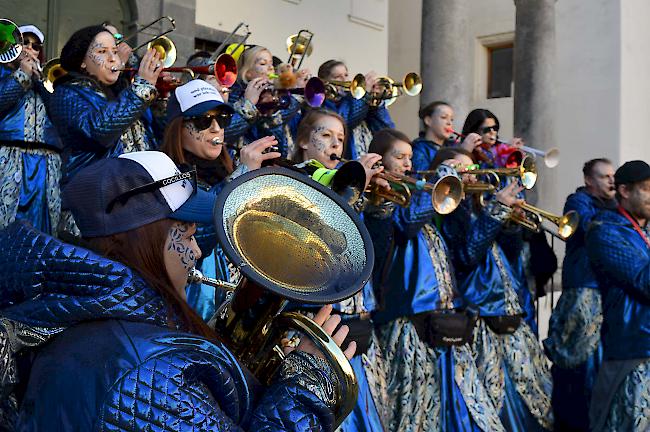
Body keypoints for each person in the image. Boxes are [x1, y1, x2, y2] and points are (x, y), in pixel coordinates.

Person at [0, 150, 356, 431]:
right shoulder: (146, 368)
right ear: (144, 241)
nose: (198, 251)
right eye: (185, 235)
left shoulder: (85, 319)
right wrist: (307, 386)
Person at [369, 140, 504, 431]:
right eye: (399, 157)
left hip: (446, 320)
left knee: (472, 409)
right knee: (415, 414)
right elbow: (406, 224)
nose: (407, 163)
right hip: (408, 322)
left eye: (410, 158)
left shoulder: (437, 203)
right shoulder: (388, 200)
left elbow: (468, 248)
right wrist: (442, 176)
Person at [440, 147, 553, 431]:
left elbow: (512, 254)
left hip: (509, 314)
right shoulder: (453, 211)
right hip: (480, 322)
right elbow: (466, 256)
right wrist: (496, 211)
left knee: (535, 400)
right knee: (493, 404)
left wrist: (511, 224)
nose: (469, 174)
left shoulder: (481, 204)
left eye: (471, 168)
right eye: (459, 169)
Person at [160, 79, 279, 320]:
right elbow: (198, 239)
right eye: (204, 121)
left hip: (235, 308)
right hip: (196, 313)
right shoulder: (165, 176)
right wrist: (242, 175)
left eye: (222, 119)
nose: (217, 128)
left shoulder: (229, 168)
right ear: (179, 128)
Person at [49, 25, 164, 237]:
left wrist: (161, 100)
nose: (114, 58)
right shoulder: (66, 94)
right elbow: (98, 130)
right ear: (82, 62)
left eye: (114, 51)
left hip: (134, 206)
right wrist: (142, 88)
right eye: (102, 52)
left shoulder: (119, 93)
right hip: (93, 212)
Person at [543, 158, 616, 432]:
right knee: (579, 362)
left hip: (603, 291)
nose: (612, 181)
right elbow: (590, 229)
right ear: (589, 180)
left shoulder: (611, 206)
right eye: (605, 176)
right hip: (584, 290)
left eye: (613, 176)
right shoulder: (578, 201)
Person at [586, 160, 650, 432]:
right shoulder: (605, 230)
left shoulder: (644, 231)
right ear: (624, 191)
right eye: (647, 189)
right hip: (632, 350)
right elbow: (644, 282)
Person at [0, 24, 62, 235]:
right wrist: (21, 76)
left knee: (43, 226)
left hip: (46, 160)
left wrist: (40, 81)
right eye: (24, 43)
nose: (29, 49)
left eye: (35, 46)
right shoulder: (2, 73)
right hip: (10, 156)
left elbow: (61, 114)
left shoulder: (48, 78)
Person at [229, 45, 307, 158]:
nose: (271, 68)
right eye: (263, 63)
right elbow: (228, 133)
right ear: (248, 73)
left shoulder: (274, 96)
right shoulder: (234, 96)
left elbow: (280, 151)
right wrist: (249, 104)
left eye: (271, 64)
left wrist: (271, 114)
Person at [317, 59, 394, 161]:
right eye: (338, 77)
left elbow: (387, 131)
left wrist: (377, 103)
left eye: (346, 75)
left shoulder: (355, 99)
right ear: (324, 81)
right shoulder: (323, 105)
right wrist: (364, 94)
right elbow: (345, 121)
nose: (344, 80)